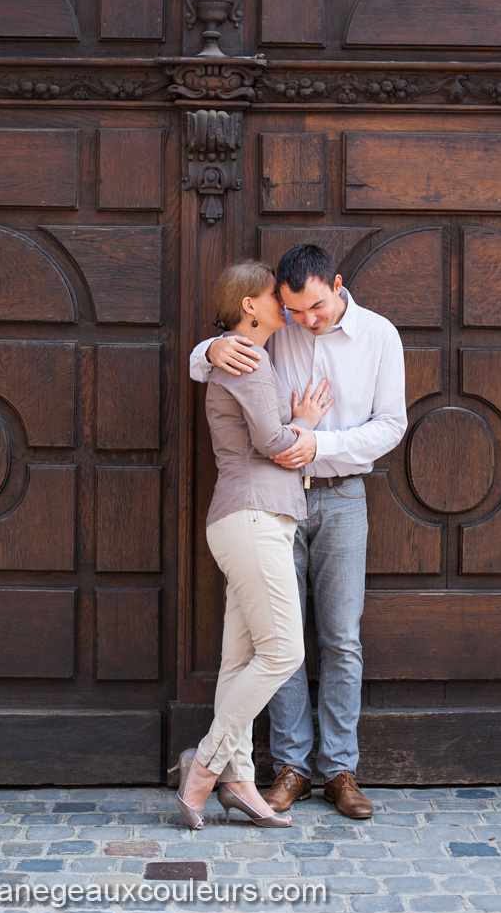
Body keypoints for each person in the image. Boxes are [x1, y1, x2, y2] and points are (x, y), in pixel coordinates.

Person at [190, 244, 406, 819]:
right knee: (276, 639)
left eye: (314, 307)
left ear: (336, 285)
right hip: (273, 503)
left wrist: (320, 443)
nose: (306, 321)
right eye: (295, 311)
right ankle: (291, 767)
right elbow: (212, 359)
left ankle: (339, 769)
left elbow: (392, 425)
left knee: (340, 637)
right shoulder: (278, 324)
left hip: (341, 496)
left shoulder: (380, 335)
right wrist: (208, 346)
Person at [171, 259, 333, 830]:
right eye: (275, 298)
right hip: (253, 517)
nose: (286, 309)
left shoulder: (234, 352)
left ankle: (238, 779)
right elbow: (272, 441)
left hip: (251, 519)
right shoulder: (248, 355)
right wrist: (305, 422)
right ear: (250, 305)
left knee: (239, 659)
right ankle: (205, 766)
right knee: (284, 652)